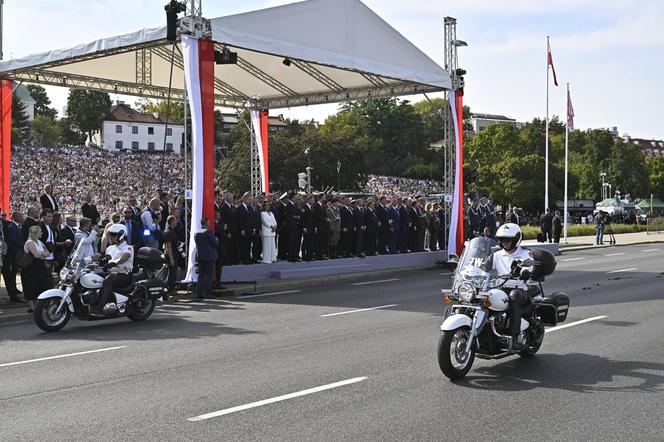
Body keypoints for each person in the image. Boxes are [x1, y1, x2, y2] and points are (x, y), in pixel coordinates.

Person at [483, 223, 534, 344]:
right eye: (502, 240)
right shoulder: (496, 255)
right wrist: (470, 269)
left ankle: (514, 336)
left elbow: (530, 265)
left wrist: (525, 271)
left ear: (516, 239)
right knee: (483, 296)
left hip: (520, 290)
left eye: (508, 240)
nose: (505, 242)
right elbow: (483, 267)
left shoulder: (525, 253)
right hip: (501, 288)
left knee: (514, 297)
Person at [97, 224, 134, 314]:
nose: (112, 237)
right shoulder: (110, 248)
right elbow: (102, 257)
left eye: (114, 235)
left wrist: (114, 263)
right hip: (112, 273)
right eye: (111, 234)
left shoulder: (128, 248)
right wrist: (86, 260)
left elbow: (125, 257)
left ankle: (101, 306)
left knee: (108, 280)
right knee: (93, 276)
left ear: (121, 235)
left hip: (124, 275)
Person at [22, 225, 53, 313]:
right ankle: (32, 308)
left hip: (40, 267)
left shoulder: (39, 242)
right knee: (31, 287)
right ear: (35, 233)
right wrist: (43, 254)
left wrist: (42, 254)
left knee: (44, 285)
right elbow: (36, 255)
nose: (42, 233)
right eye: (40, 232)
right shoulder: (30, 242)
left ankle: (41, 305)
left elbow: (47, 252)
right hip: (32, 268)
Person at [194, 218, 219, 299]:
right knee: (208, 275)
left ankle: (199, 292)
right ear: (206, 223)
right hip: (209, 256)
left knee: (201, 274)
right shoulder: (208, 232)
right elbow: (215, 243)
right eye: (208, 222)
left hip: (200, 256)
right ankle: (206, 292)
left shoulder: (196, 232)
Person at [3, 212, 25, 302]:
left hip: (17, 253)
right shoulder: (12, 227)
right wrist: (24, 245)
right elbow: (13, 240)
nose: (21, 217)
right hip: (13, 253)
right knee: (11, 273)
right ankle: (12, 294)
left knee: (14, 272)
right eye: (20, 216)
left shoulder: (18, 226)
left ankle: (14, 289)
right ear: (15, 217)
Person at [162, 215, 179, 300]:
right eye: (175, 220)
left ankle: (171, 290)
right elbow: (168, 246)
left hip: (175, 254)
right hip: (171, 255)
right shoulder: (168, 232)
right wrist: (171, 258)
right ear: (171, 222)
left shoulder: (173, 231)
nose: (176, 222)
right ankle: (164, 292)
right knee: (170, 274)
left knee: (173, 274)